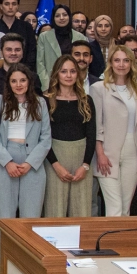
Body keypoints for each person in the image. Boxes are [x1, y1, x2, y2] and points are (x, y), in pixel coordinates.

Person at [0, 63, 50, 231]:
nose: (19, 85)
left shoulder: (40, 103)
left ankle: (27, 258)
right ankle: (7, 257)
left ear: (29, 82)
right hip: (6, 160)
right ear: (8, 83)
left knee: (31, 219)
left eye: (22, 80)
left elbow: (46, 139)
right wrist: (7, 162)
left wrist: (30, 163)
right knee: (6, 219)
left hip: (32, 162)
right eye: (14, 81)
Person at [91, 44, 137, 217]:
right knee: (114, 206)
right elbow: (96, 124)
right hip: (108, 151)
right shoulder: (99, 88)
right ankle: (110, 244)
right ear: (110, 63)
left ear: (132, 63)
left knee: (125, 207)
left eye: (126, 60)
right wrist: (100, 153)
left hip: (134, 150)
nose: (121, 64)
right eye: (117, 60)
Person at [42, 55, 95, 218]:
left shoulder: (86, 100)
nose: (69, 75)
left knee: (81, 209)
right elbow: (43, 136)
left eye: (72, 71)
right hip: (55, 158)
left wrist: (85, 165)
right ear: (56, 74)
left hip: (81, 158)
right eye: (64, 71)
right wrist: (56, 165)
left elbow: (91, 134)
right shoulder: (45, 100)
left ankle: (81, 244)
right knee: (54, 208)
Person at [0, 34, 41, 104]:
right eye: (9, 49)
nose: (13, 53)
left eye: (17, 50)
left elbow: (38, 106)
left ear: (23, 53)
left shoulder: (33, 78)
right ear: (1, 53)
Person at [35, 4, 85, 88]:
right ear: (53, 18)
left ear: (69, 17)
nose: (61, 18)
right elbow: (40, 63)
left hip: (75, 83)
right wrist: (46, 86)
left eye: (65, 15)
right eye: (57, 15)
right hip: (51, 83)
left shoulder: (80, 37)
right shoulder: (44, 37)